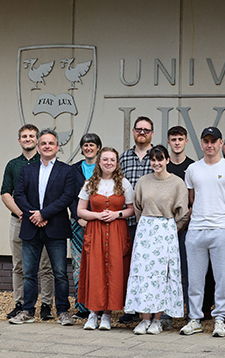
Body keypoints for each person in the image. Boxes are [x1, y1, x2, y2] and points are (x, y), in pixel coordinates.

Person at [9, 129, 76, 326]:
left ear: (57, 147)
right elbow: (18, 195)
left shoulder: (66, 170)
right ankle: (28, 310)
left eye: (51, 143)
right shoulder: (26, 170)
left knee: (60, 273)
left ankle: (63, 311)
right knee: (29, 272)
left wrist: (44, 214)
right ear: (39, 147)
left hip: (55, 227)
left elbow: (67, 196)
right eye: (44, 143)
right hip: (31, 227)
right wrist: (34, 214)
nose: (47, 146)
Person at [180, 127, 225, 338]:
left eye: (213, 141)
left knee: (222, 277)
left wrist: (224, 217)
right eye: (206, 141)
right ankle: (195, 318)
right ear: (202, 143)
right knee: (195, 278)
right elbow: (191, 198)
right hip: (196, 228)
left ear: (220, 143)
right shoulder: (193, 169)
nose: (209, 145)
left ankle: (220, 318)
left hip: (220, 229)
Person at [125, 145, 189, 335]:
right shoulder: (143, 182)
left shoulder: (177, 183)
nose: (156, 163)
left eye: (160, 159)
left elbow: (183, 212)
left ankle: (157, 319)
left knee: (162, 274)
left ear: (167, 160)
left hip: (166, 229)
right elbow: (137, 206)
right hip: (146, 229)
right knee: (143, 272)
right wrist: (146, 224)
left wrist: (171, 228)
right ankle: (144, 318)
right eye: (153, 159)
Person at [0, 124, 54, 321]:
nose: (28, 139)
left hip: (44, 222)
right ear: (19, 140)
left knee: (45, 265)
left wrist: (42, 215)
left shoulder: (48, 163)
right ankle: (20, 304)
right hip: (19, 221)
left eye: (32, 136)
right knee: (19, 265)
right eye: (24, 136)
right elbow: (6, 192)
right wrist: (21, 213)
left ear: (38, 140)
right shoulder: (13, 165)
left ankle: (47, 305)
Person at [77, 147, 134, 330]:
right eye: (105, 160)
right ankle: (93, 313)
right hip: (96, 231)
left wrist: (117, 213)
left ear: (117, 163)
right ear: (99, 162)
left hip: (117, 230)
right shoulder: (90, 184)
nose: (109, 163)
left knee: (115, 270)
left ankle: (108, 315)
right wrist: (97, 216)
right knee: (96, 269)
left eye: (112, 160)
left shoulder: (124, 183)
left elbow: (132, 209)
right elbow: (80, 210)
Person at [118, 116, 154, 324]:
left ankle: (146, 308)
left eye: (146, 130)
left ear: (151, 133)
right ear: (133, 132)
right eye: (139, 129)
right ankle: (130, 308)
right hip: (127, 222)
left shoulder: (157, 156)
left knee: (146, 268)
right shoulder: (123, 158)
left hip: (149, 223)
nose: (142, 133)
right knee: (128, 266)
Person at [69, 133, 102, 319]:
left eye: (92, 145)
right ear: (81, 148)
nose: (88, 148)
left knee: (98, 265)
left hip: (99, 222)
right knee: (79, 265)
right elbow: (69, 196)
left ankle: (97, 306)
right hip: (77, 224)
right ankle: (82, 308)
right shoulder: (73, 170)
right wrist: (78, 216)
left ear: (98, 147)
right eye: (85, 145)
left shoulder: (105, 168)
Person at [166, 125, 195, 314]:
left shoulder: (192, 167)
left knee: (188, 271)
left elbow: (195, 200)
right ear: (168, 142)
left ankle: (189, 312)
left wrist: (182, 224)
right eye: (173, 139)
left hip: (187, 228)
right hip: (165, 228)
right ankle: (167, 311)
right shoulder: (163, 165)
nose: (177, 143)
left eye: (180, 139)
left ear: (186, 141)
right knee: (166, 271)